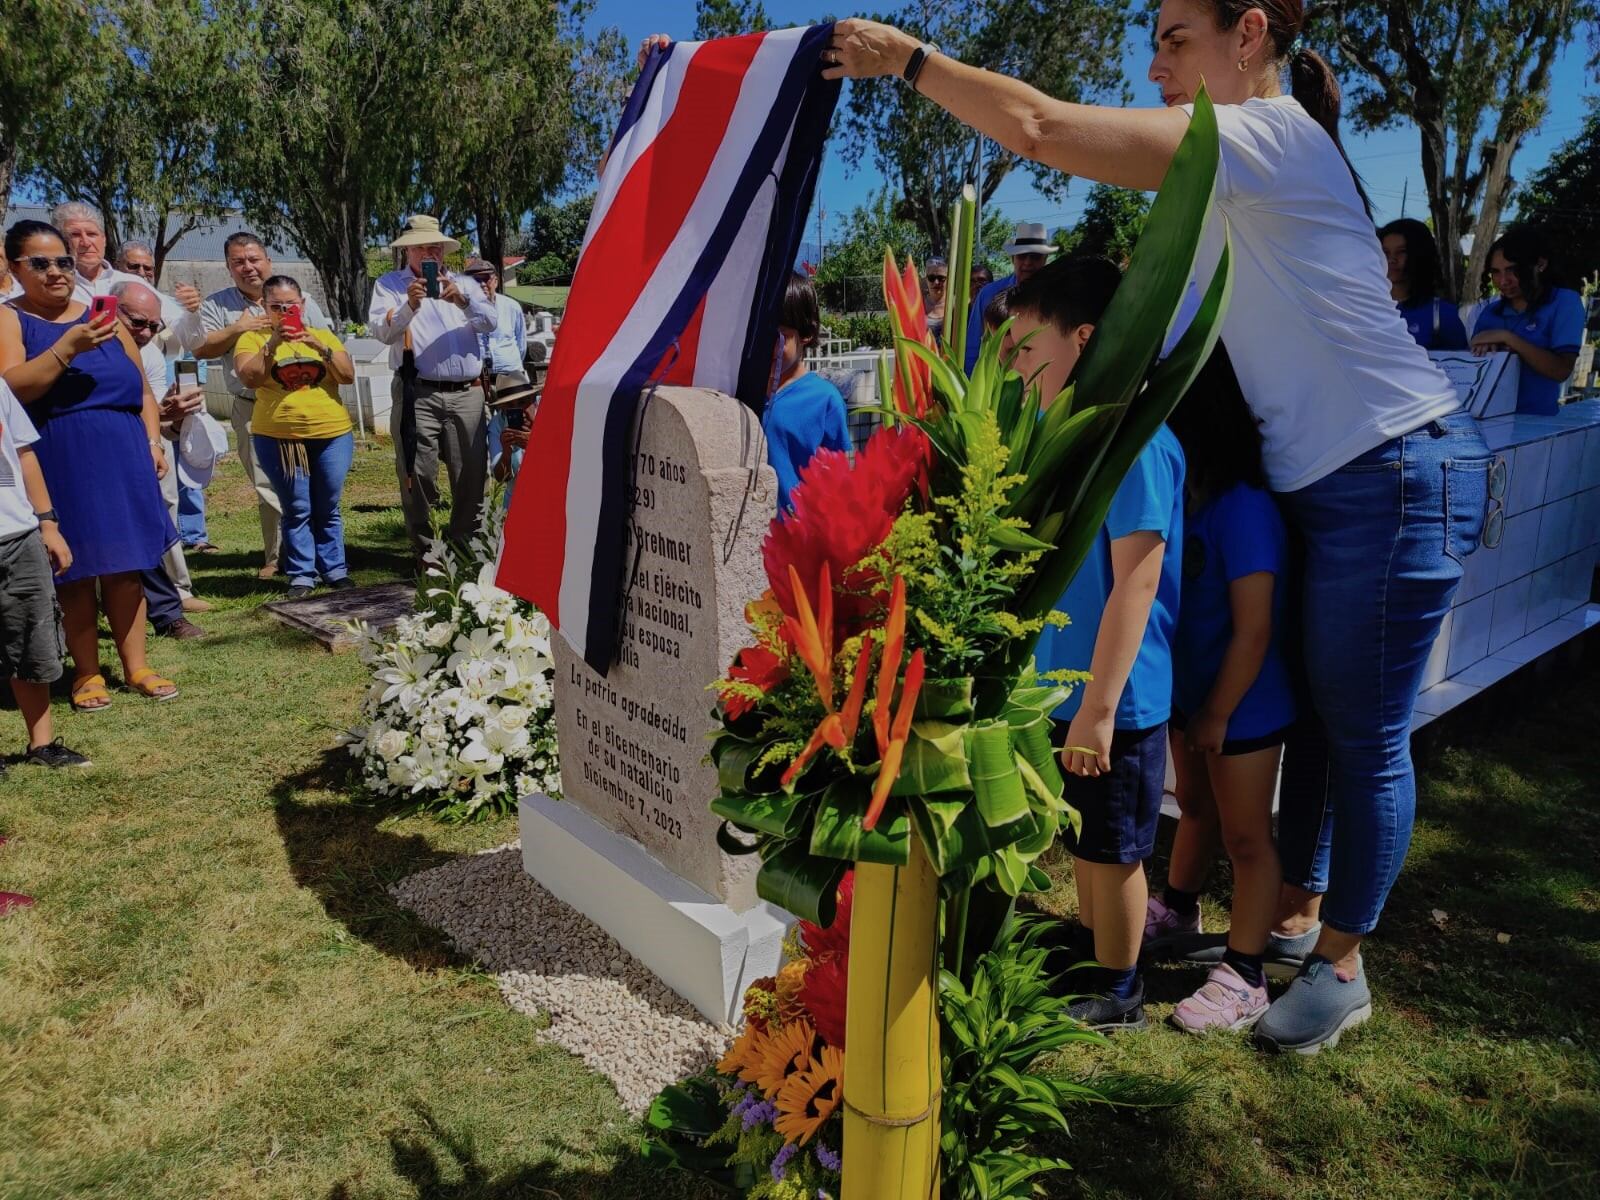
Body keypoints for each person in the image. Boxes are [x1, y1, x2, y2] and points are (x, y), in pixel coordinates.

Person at [823, 0, 1490, 1054]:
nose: (1154, 62)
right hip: (1330, 481)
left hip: (1393, 468)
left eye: (1176, 36)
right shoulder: (1215, 199)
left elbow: (1041, 131)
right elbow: (1126, 355)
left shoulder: (1264, 140)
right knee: (1318, 729)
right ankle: (1302, 926)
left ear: (1250, 35)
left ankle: (1342, 964)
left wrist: (907, 61)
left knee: (1361, 740)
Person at [1021, 255, 1184, 1034]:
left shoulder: (1138, 446)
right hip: (1075, 689)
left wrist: (1099, 708)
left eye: (1028, 349)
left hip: (1114, 701)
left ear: (1083, 339)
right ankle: (1091, 948)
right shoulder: (1082, 435)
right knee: (1086, 835)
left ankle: (1121, 989)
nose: (1018, 369)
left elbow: (1137, 584)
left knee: (1115, 846)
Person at [1154, 346, 1295, 1034]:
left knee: (1246, 839)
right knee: (1194, 810)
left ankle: (1245, 973)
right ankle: (1178, 907)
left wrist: (1216, 713)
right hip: (1196, 699)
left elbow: (1255, 630)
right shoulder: (1189, 496)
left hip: (1242, 706)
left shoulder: (1243, 509)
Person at [0, 220, 180, 710]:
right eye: (41, 263)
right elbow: (10, 388)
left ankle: (136, 665)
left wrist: (153, 442)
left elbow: (141, 388)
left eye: (62, 261)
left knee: (127, 567)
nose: (56, 271)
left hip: (125, 453)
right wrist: (68, 348)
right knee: (75, 570)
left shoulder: (106, 317)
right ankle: (86, 673)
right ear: (16, 267)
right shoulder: (11, 319)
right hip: (62, 455)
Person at [179, 231, 334, 579]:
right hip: (252, 405)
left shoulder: (301, 297)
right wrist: (240, 327)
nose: (247, 267)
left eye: (253, 259)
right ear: (228, 267)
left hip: (303, 403)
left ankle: (312, 553)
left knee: (313, 482)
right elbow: (202, 348)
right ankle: (281, 555)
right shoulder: (219, 305)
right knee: (269, 483)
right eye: (238, 262)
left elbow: (330, 343)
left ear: (268, 261)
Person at [368, 215, 497, 557]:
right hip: (418, 390)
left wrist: (463, 301)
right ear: (408, 250)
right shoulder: (389, 285)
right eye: (423, 246)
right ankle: (425, 550)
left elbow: (491, 322)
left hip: (467, 392)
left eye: (435, 246)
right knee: (417, 472)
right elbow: (382, 333)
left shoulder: (465, 284)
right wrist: (410, 305)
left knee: (471, 472)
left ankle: (465, 544)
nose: (430, 252)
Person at [234, 275, 357, 599]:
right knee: (297, 507)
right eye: (276, 307)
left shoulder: (322, 335)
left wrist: (319, 346)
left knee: (328, 505)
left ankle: (334, 570)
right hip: (280, 436)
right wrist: (273, 343)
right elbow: (249, 378)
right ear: (264, 306)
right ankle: (302, 575)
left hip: (331, 433)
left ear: (302, 306)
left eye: (291, 306)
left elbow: (346, 375)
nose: (284, 311)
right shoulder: (252, 339)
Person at [0, 377, 90, 769]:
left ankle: (42, 744)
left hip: (17, 532)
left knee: (32, 638)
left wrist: (47, 523)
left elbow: (23, 453)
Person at [110, 281, 209, 636]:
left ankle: (168, 613)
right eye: (137, 322)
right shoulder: (85, 345)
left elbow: (148, 404)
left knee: (149, 527)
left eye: (154, 326)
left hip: (138, 448)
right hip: (90, 449)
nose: (146, 332)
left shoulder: (148, 353)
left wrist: (160, 431)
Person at [1471, 228, 1586, 416]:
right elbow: (1471, 367)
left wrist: (1508, 338)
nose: (1503, 280)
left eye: (1512, 270)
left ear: (1540, 264)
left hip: (1535, 424)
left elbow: (1561, 370)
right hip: (1485, 419)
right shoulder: (1490, 312)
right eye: (1496, 272)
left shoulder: (1564, 302)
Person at [763, 272, 851, 513]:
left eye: (780, 337)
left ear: (806, 334)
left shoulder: (825, 401)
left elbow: (838, 484)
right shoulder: (744, 391)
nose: (767, 346)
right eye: (760, 334)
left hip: (796, 540)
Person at [965, 222, 1056, 371]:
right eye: (1022, 256)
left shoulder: (1056, 296)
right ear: (1013, 259)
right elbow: (973, 345)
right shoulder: (988, 294)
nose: (1027, 262)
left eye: (1035, 257)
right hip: (994, 383)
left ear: (1045, 259)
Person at [1378, 219, 1468, 351]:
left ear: (1420, 255)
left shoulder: (1442, 313)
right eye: (1385, 252)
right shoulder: (1364, 307)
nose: (1392, 260)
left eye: (1401, 251)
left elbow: (1460, 365)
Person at [464, 258, 529, 386]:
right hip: (478, 379)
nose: (482, 284)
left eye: (486, 278)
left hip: (511, 375)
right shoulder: (462, 310)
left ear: (495, 281)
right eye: (476, 280)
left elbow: (521, 344)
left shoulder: (511, 306)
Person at [924, 257, 948, 339]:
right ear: (926, 279)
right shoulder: (919, 305)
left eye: (941, 278)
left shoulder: (955, 306)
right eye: (931, 278)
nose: (936, 282)